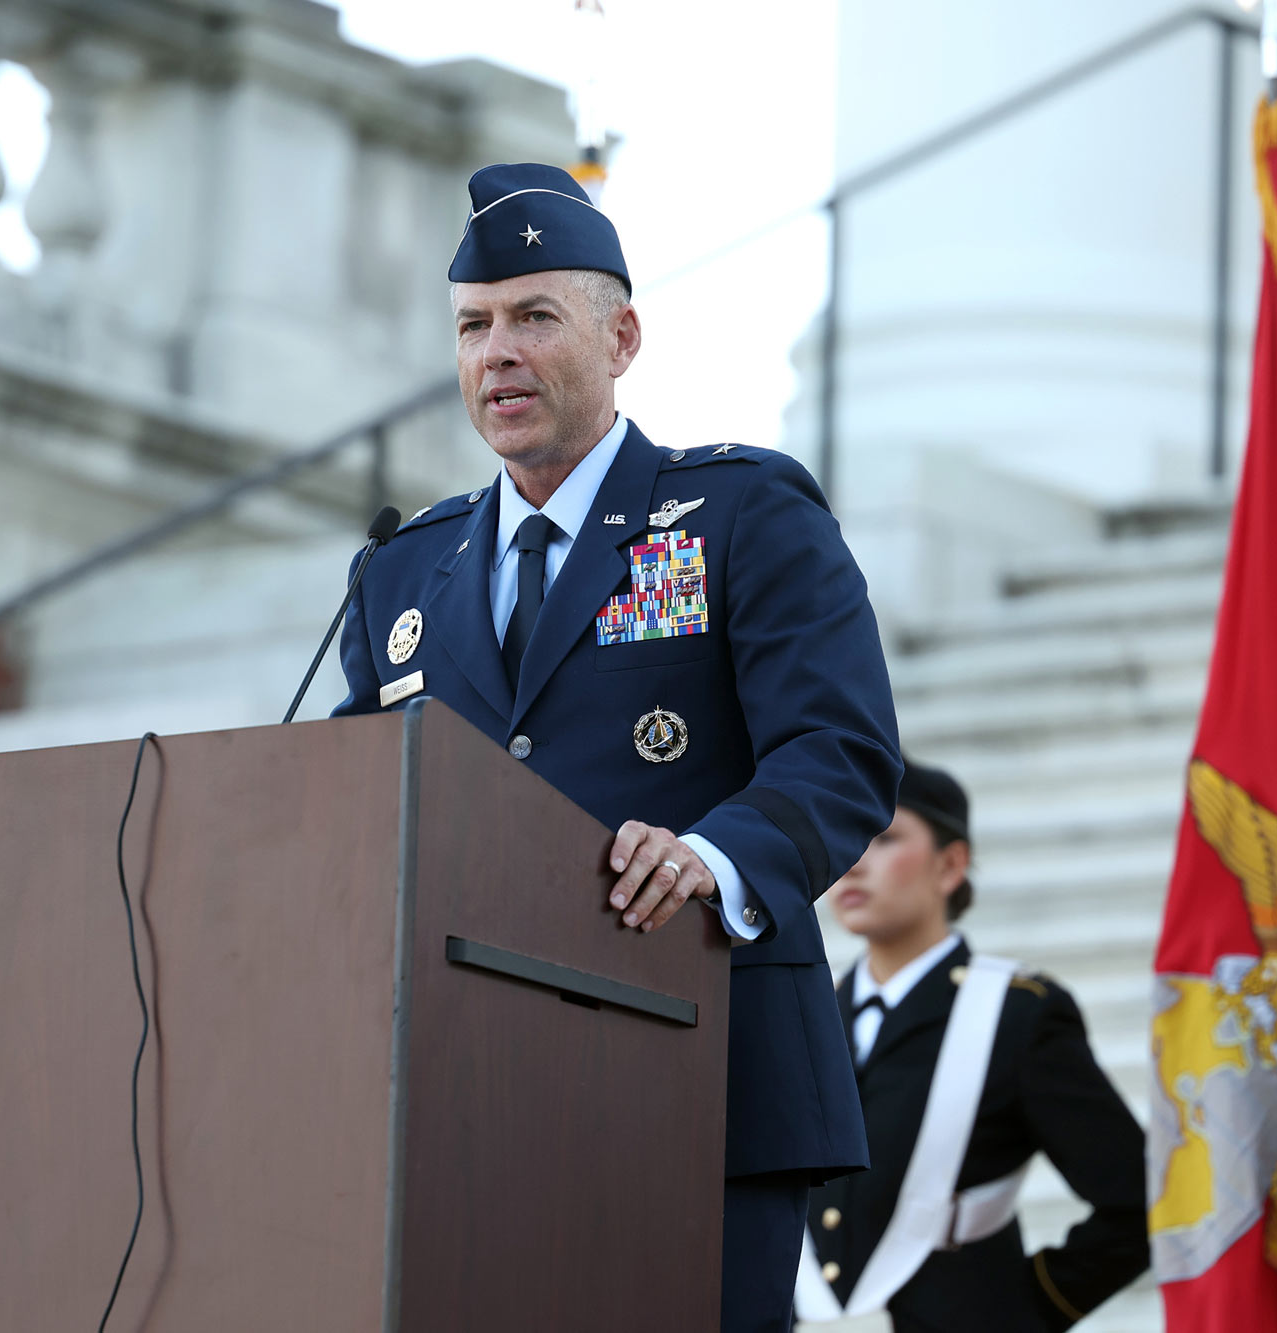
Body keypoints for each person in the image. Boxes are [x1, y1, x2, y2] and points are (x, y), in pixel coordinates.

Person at [333, 161, 902, 1332]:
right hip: (464, 1089)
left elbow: (837, 749)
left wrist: (711, 858)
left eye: (534, 316)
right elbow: (350, 802)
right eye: (472, 325)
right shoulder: (402, 568)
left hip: (702, 1063)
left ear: (622, 335)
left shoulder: (742, 513)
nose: (496, 351)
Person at [796, 761, 1149, 1331]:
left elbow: (1137, 1203)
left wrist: (1025, 1309)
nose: (854, 862)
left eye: (883, 838)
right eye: (847, 835)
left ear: (951, 864)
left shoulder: (1017, 1015)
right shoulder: (805, 1017)